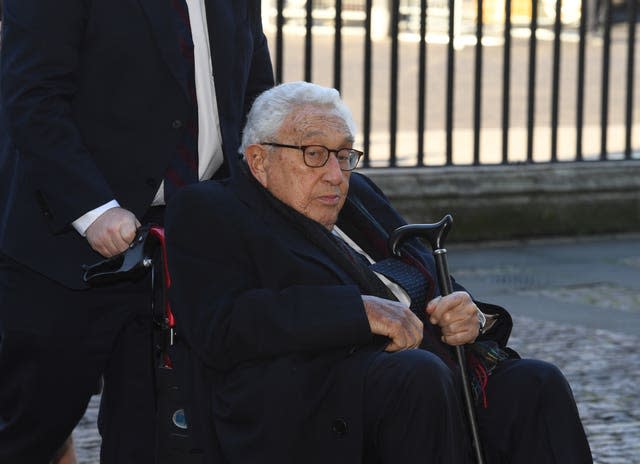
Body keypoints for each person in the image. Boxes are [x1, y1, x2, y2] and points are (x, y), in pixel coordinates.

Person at [165, 81, 593, 463]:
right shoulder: (212, 208)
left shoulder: (360, 195)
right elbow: (221, 324)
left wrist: (473, 315)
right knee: (417, 375)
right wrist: (358, 311)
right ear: (259, 160)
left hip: (431, 377)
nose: (336, 174)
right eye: (314, 154)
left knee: (536, 383)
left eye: (345, 154)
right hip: (319, 397)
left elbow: (428, 273)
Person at [0, 0, 274, 462]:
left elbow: (257, 95)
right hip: (65, 247)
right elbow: (32, 95)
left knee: (154, 439)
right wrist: (93, 209)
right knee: (29, 433)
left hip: (188, 245)